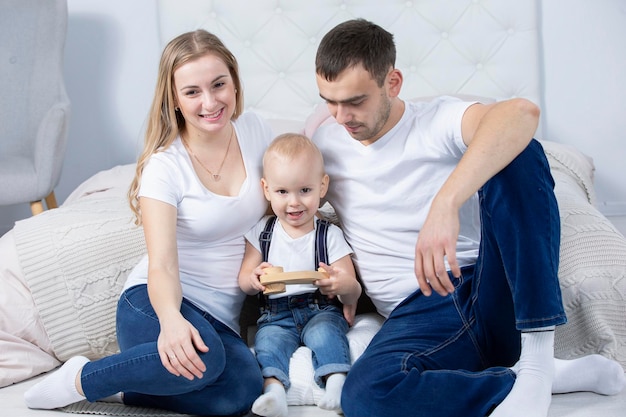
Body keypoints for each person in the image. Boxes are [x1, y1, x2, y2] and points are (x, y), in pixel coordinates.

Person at [311, 18, 626, 417]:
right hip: (418, 316)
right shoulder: (325, 142)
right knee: (366, 395)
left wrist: (446, 203)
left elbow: (521, 114)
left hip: (486, 288)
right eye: (329, 101)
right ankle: (531, 377)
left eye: (355, 101)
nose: (341, 117)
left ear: (393, 82)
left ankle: (537, 355)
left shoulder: (435, 121)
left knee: (520, 153)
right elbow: (278, 181)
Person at [24, 29, 272, 415]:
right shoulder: (165, 166)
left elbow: (297, 171)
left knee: (242, 392)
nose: (210, 102)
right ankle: (78, 379)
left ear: (235, 83)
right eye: (192, 92)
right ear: (174, 98)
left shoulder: (257, 131)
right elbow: (161, 263)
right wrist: (171, 320)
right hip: (154, 302)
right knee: (206, 363)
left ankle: (123, 390)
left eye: (219, 84)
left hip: (219, 317)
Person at [238, 133, 362, 417]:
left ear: (322, 186)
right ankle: (274, 393)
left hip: (319, 308)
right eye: (282, 192)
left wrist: (340, 283)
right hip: (275, 315)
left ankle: (336, 383)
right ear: (266, 189)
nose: (294, 203)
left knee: (325, 334)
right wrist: (254, 278)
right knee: (267, 343)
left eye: (304, 190)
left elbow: (352, 291)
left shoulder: (328, 234)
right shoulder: (263, 231)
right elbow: (244, 281)